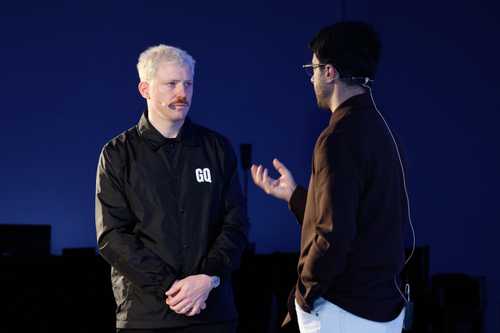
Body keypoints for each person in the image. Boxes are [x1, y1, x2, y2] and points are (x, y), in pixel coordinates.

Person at [251, 22, 409, 333]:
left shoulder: (337, 138)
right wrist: (296, 196)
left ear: (329, 72)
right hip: (384, 311)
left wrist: (304, 296)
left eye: (312, 69)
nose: (310, 78)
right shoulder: (381, 129)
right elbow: (360, 214)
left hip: (343, 311)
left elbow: (333, 234)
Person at [95, 44, 248, 333]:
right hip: (147, 315)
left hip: (212, 311)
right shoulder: (118, 154)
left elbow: (235, 223)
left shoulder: (217, 148)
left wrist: (208, 277)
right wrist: (173, 288)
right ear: (145, 89)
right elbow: (112, 236)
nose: (182, 93)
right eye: (171, 84)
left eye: (188, 83)